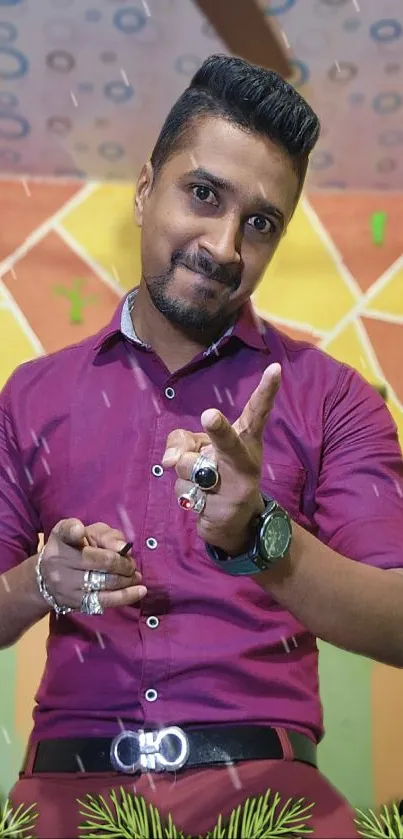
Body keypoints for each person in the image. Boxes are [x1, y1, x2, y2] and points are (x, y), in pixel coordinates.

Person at [1, 53, 403, 839]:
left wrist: (261, 537)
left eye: (259, 223)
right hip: (62, 793)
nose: (223, 245)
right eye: (203, 194)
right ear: (146, 187)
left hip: (267, 794)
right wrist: (39, 581)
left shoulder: (333, 396)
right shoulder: (30, 395)